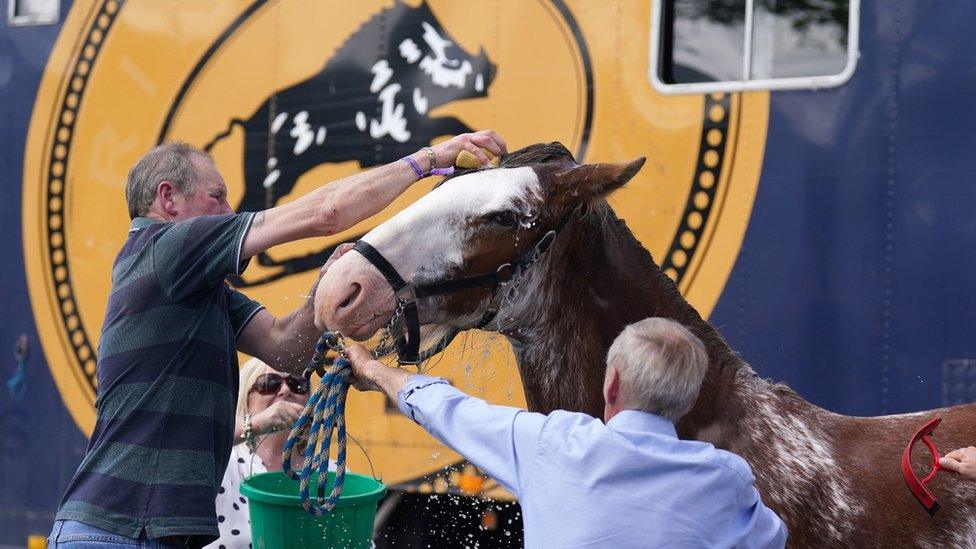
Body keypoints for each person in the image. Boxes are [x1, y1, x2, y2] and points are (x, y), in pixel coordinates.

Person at [48, 131, 507, 549]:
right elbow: (325, 214)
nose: (230, 212)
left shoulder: (201, 291)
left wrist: (323, 289)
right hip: (117, 532)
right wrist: (426, 161)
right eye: (217, 197)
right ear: (168, 199)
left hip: (147, 533)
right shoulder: (168, 247)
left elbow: (286, 348)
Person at [345, 317, 788, 548]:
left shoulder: (551, 445)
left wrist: (370, 368)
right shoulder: (726, 481)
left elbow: (446, 409)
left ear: (611, 384)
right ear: (689, 401)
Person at [204, 358, 318, 549]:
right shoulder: (222, 462)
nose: (285, 390)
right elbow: (184, 441)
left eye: (297, 384)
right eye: (269, 384)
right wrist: (254, 425)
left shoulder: (329, 472)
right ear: (245, 397)